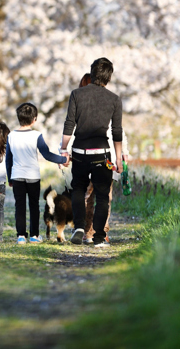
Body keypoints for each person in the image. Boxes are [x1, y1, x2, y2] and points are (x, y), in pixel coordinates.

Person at [60, 57, 123, 247]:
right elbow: (116, 132)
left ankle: (79, 227)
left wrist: (63, 149)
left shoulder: (76, 94)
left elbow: (69, 124)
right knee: (103, 195)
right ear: (109, 77)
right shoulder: (114, 99)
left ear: (92, 72)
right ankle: (98, 238)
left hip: (79, 151)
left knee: (78, 188)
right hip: (102, 154)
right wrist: (118, 158)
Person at [71, 72, 130, 244]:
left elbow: (72, 130)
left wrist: (66, 152)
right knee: (104, 196)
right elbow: (119, 132)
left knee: (88, 195)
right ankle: (99, 232)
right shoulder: (107, 102)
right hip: (106, 157)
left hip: (88, 155)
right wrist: (123, 154)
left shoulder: (80, 103)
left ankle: (89, 232)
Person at [6, 102, 69, 244]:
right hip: (33, 176)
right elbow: (46, 154)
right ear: (34, 119)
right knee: (34, 205)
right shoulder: (36, 135)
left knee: (19, 206)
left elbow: (8, 159)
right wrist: (62, 159)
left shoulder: (11, 136)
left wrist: (10, 177)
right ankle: (34, 236)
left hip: (17, 176)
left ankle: (21, 236)